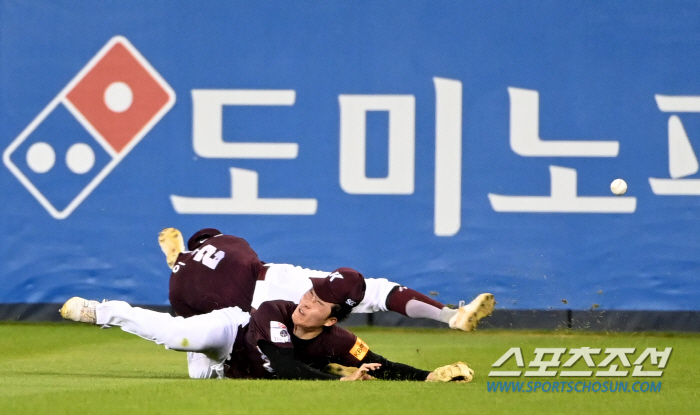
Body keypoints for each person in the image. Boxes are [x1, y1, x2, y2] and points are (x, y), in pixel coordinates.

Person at [59, 268, 474, 383]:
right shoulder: (275, 309)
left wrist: (426, 378)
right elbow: (279, 364)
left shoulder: (338, 340)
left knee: (201, 385)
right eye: (309, 292)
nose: (305, 301)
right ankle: (103, 311)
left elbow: (376, 362)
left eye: (317, 302)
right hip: (228, 334)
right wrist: (337, 382)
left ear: (331, 319)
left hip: (224, 373)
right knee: (175, 335)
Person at [160, 227, 495, 331]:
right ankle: (450, 315)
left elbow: (190, 323)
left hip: (241, 316)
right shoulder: (226, 241)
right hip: (275, 279)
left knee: (207, 370)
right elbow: (242, 255)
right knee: (375, 291)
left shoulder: (180, 287)